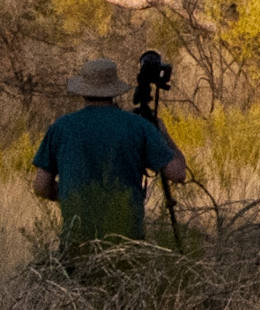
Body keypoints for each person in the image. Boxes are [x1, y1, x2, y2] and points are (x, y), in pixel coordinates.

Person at [30, 56, 185, 262]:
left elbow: (41, 186)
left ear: (83, 90)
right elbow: (177, 173)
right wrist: (162, 133)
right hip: (126, 242)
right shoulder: (138, 126)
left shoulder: (60, 128)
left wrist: (77, 198)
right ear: (114, 91)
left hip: (76, 243)